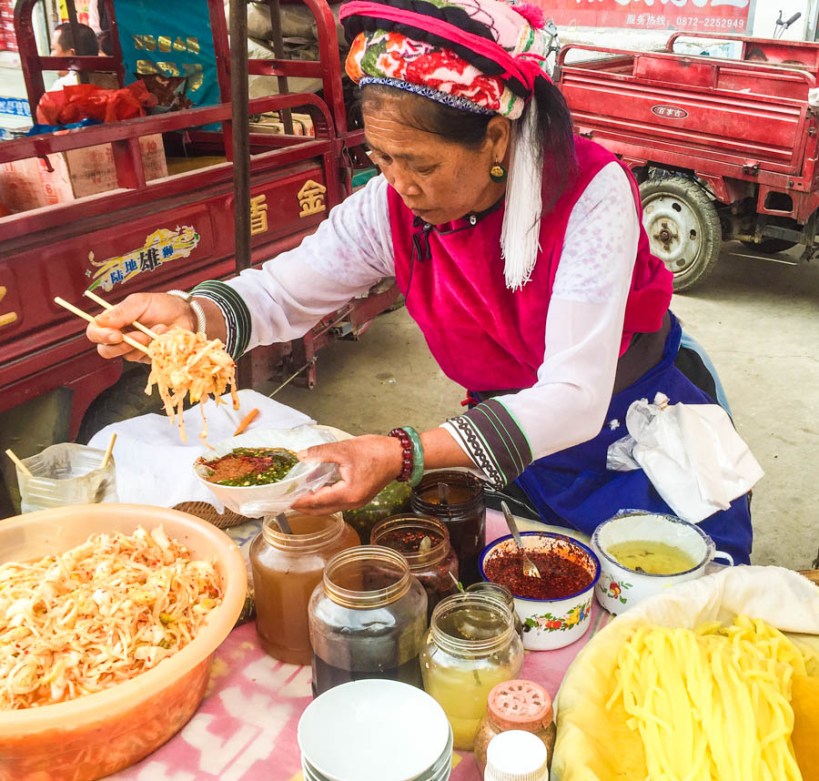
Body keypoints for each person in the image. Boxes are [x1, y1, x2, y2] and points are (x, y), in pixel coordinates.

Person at [85, 0, 753, 563]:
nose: (398, 183)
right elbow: (285, 292)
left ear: (495, 139)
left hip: (633, 433)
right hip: (512, 437)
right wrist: (192, 317)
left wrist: (400, 452)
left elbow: (575, 396)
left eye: (419, 163)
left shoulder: (587, 190)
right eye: (379, 157)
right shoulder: (392, 207)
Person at [49, 22, 100, 91]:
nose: (51, 56)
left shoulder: (62, 87)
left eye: (53, 49)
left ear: (72, 54)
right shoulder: (111, 80)